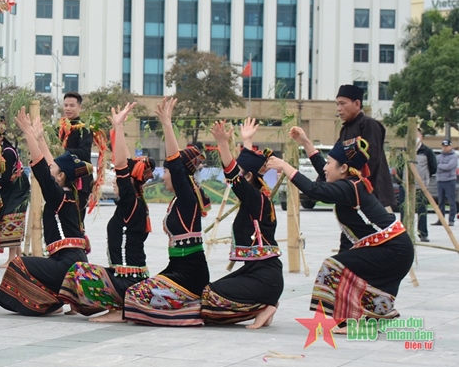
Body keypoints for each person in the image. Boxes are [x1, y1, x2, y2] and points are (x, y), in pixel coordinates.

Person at [270, 127, 413, 329]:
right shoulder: (351, 184)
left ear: (344, 168)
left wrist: (285, 166)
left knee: (332, 267)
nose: (326, 167)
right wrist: (306, 142)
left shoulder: (349, 188)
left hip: (393, 251)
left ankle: (347, 322)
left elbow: (314, 189)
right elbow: (324, 172)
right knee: (346, 265)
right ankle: (376, 311)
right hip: (396, 250)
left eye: (330, 163)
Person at [59, 101, 155, 321]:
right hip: (128, 276)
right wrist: (117, 130)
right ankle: (117, 307)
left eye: (119, 176)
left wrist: (119, 128)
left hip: (129, 282)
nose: (114, 180)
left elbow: (123, 165)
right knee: (79, 273)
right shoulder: (135, 199)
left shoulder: (131, 200)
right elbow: (128, 164)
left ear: (128, 180)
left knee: (78, 272)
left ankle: (121, 308)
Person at [0, 107, 91, 316]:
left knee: (18, 265)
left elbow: (41, 168)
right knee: (36, 265)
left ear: (61, 176)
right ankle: (66, 296)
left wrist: (28, 133)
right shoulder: (69, 194)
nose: (50, 168)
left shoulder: (58, 196)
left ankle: (53, 302)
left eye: (53, 169)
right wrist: (40, 139)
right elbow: (51, 165)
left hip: (67, 264)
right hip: (74, 261)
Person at [123, 97, 212, 326]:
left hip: (191, 277)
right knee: (134, 293)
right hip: (177, 271)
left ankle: (188, 314)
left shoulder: (187, 198)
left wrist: (166, 123)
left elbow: (175, 161)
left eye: (166, 172)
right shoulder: (177, 201)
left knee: (135, 296)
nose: (162, 176)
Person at [200, 119, 283, 329]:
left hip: (264, 279)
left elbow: (236, 175)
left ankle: (265, 306)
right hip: (260, 275)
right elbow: (249, 170)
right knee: (209, 291)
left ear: (247, 177)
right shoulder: (257, 197)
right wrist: (247, 141)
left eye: (241, 173)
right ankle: (266, 304)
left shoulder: (255, 199)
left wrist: (223, 144)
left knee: (210, 299)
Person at [335, 84, 394, 209]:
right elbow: (337, 158)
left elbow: (370, 159)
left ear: (357, 104)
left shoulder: (369, 124)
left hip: (372, 192)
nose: (339, 109)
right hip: (354, 191)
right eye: (337, 104)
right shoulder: (345, 128)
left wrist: (356, 184)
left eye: (342, 103)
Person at [0, 116, 30, 267]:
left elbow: (5, 178)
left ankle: (12, 258)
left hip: (17, 187)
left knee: (11, 217)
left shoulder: (7, 152)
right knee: (7, 215)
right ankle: (18, 255)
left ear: (0, 137)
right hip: (9, 186)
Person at [59, 92, 93, 223]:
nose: (68, 108)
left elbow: (84, 153)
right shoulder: (59, 128)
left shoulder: (85, 128)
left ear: (79, 107)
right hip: (62, 179)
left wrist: (62, 151)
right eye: (66, 105)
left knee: (77, 220)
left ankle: (78, 242)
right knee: (63, 220)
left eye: (71, 105)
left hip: (80, 181)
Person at [414, 129, 436, 242]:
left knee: (422, 211)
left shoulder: (426, 151)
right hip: (407, 186)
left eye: (416, 135)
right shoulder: (406, 150)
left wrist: (424, 178)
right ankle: (404, 234)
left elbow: (433, 167)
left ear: (421, 137)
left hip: (421, 186)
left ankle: (423, 233)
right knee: (405, 212)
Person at [435, 140, 457, 226]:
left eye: (447, 146)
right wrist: (441, 166)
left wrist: (440, 166)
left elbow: (448, 167)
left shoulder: (454, 156)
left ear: (450, 146)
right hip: (440, 181)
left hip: (449, 181)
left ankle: (451, 220)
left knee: (451, 201)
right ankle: (441, 219)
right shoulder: (439, 156)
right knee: (441, 201)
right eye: (443, 146)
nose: (445, 147)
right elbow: (435, 166)